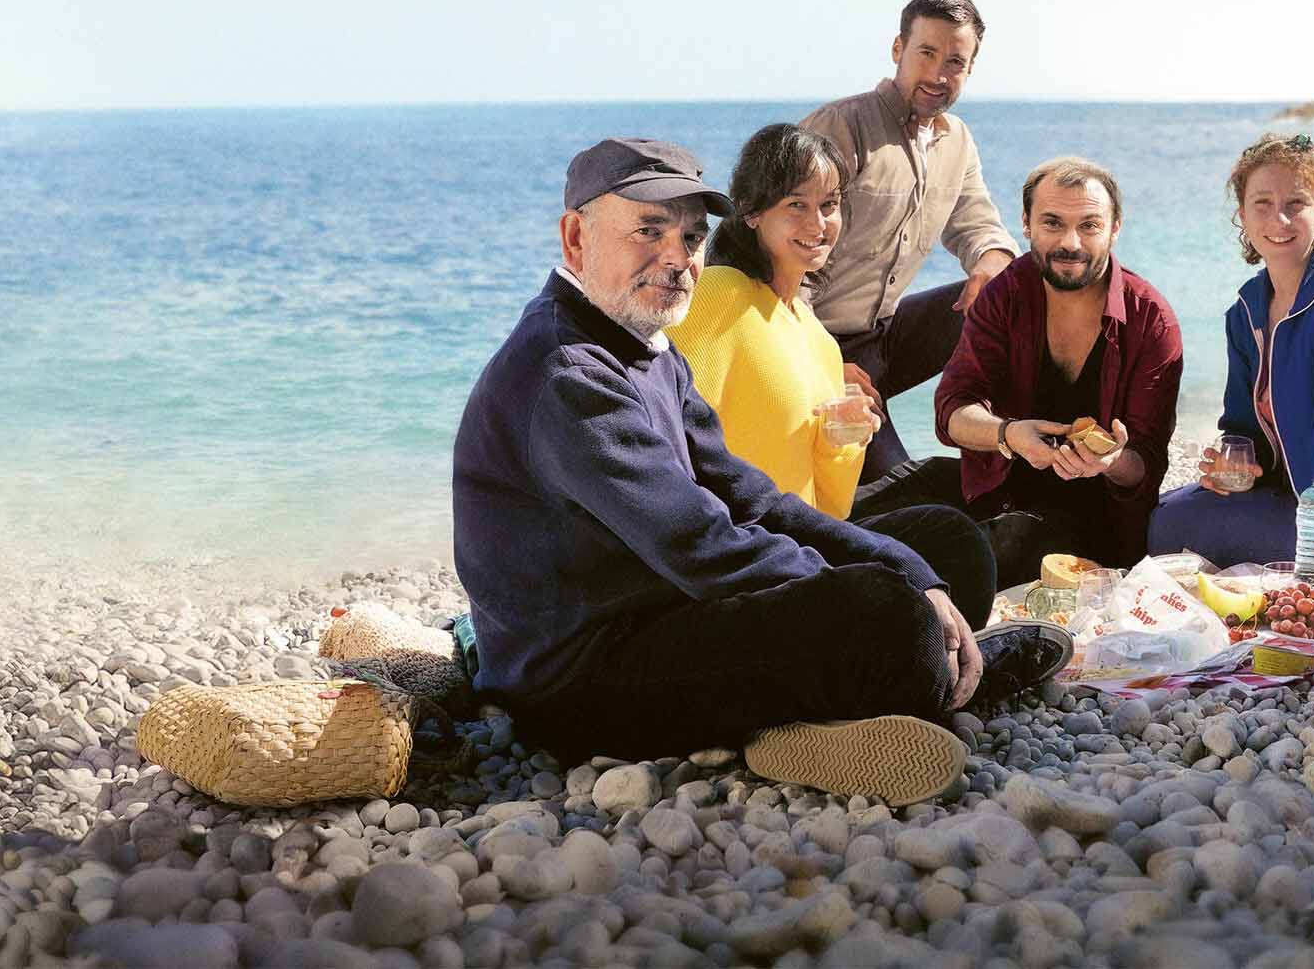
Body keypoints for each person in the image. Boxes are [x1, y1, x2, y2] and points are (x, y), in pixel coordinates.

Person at [452, 138, 1068, 805]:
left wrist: (912, 573)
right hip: (579, 677)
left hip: (662, 603)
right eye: (649, 231)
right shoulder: (567, 372)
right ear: (576, 237)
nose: (677, 257)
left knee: (945, 551)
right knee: (890, 617)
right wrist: (890, 593)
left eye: (690, 236)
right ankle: (817, 718)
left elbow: (755, 498)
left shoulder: (645, 344)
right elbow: (700, 544)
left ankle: (829, 706)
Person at [1149, 134, 1314, 567]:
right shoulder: (1245, 310)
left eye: (1296, 203)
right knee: (1164, 521)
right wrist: (1231, 468)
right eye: (1262, 203)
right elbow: (1242, 427)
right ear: (1242, 215)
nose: (1279, 219)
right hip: (1284, 493)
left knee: (1215, 545)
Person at [800, 0, 1019, 475]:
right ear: (898, 49)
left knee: (1013, 291)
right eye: (927, 53)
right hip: (816, 340)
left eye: (955, 62)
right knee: (896, 490)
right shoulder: (840, 127)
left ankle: (1010, 444)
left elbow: (979, 224)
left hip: (885, 337)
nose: (939, 74)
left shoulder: (956, 140)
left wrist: (993, 263)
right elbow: (773, 258)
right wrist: (815, 364)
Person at [931, 157, 1183, 576]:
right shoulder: (1005, 294)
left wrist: (1111, 461)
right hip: (997, 486)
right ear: (1026, 224)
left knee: (990, 547)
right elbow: (953, 409)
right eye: (1052, 223)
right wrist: (1007, 433)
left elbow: (1145, 467)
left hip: (1094, 524)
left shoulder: (1151, 321)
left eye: (1089, 225)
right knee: (883, 501)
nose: (1071, 242)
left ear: (1114, 229)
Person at [668, 124, 876, 518]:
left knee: (945, 530)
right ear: (750, 212)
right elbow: (676, 446)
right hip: (735, 552)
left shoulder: (821, 343)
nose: (818, 224)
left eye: (829, 205)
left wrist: (844, 439)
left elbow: (832, 509)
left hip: (800, 550)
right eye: (796, 205)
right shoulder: (719, 293)